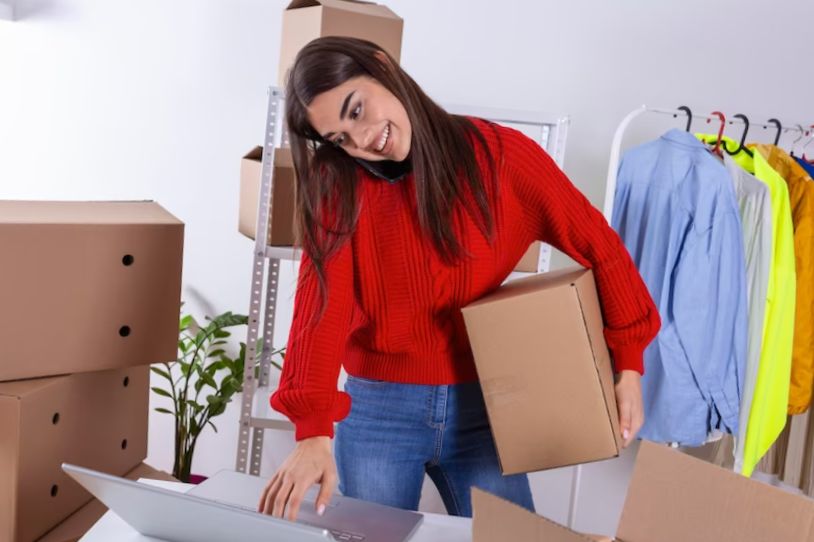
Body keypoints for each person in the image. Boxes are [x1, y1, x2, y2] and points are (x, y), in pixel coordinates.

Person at [257, 36, 660, 521]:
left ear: (383, 67)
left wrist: (629, 364)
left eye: (357, 110)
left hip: (486, 406)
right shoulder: (337, 183)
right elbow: (322, 303)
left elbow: (601, 247)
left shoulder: (502, 158)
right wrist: (313, 430)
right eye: (340, 137)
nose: (361, 140)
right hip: (378, 412)